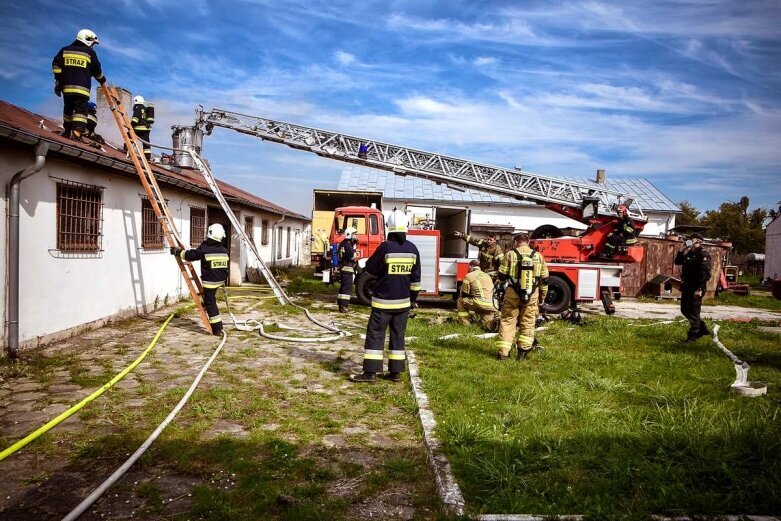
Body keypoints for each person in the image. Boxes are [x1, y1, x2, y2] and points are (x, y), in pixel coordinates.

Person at [350, 210, 421, 383]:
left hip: (383, 303)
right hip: (403, 304)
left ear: (389, 228)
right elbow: (416, 280)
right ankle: (395, 373)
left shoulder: (386, 247)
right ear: (406, 228)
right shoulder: (413, 249)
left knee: (375, 334)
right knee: (398, 336)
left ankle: (370, 373)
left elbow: (371, 268)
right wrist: (412, 300)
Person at [494, 233, 549, 360]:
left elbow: (502, 276)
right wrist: (542, 297)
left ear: (515, 242)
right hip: (532, 294)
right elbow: (545, 280)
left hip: (512, 293)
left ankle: (503, 353)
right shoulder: (538, 256)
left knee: (508, 321)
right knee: (528, 322)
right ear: (528, 242)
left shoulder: (510, 254)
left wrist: (501, 287)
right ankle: (523, 352)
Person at [170, 223, 229, 335]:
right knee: (210, 299)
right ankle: (207, 305)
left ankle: (217, 328)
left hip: (210, 282)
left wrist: (178, 252)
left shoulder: (206, 247)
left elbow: (191, 256)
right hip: (220, 280)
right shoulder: (224, 249)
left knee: (210, 302)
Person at [52, 29, 106, 142]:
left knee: (68, 109)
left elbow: (56, 65)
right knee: (81, 112)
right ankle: (77, 135)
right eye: (92, 43)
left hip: (66, 88)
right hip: (82, 89)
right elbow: (97, 70)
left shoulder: (64, 50)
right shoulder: (90, 53)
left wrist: (59, 80)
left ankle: (67, 131)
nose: (92, 46)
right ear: (87, 40)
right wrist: (102, 79)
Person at [674, 232, 712, 342]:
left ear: (700, 242)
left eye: (695, 241)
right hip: (687, 286)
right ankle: (702, 328)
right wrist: (682, 249)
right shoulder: (690, 253)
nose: (693, 243)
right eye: (691, 240)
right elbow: (678, 262)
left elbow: (705, 274)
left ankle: (693, 335)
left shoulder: (703, 254)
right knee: (685, 309)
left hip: (697, 287)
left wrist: (699, 289)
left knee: (694, 312)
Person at [456, 259, 499, 329]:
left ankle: (465, 325)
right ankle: (496, 324)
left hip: (480, 303)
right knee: (486, 325)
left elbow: (463, 294)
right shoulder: (487, 275)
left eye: (468, 267)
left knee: (460, 301)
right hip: (492, 305)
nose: (468, 269)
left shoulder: (469, 276)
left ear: (471, 266)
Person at [337, 227, 358, 313]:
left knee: (343, 288)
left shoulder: (343, 244)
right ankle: (344, 307)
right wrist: (355, 247)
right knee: (347, 289)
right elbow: (353, 256)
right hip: (347, 269)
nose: (356, 236)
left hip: (344, 268)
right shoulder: (348, 245)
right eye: (354, 235)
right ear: (350, 235)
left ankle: (341, 305)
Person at [131, 95, 155, 161]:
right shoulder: (145, 108)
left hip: (139, 128)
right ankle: (147, 157)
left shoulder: (137, 107)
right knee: (146, 143)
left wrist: (131, 125)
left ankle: (127, 148)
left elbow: (136, 117)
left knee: (129, 135)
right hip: (147, 128)